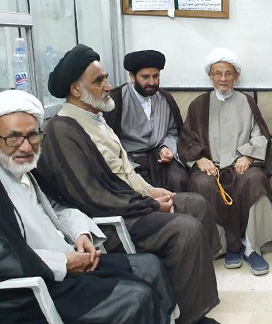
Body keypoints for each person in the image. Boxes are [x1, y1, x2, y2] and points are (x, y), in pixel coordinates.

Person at [37, 44, 220, 324]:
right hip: (112, 220)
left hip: (130, 203)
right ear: (76, 89)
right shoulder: (64, 129)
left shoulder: (97, 119)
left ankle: (188, 300)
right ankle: (188, 318)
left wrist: (150, 191)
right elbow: (91, 196)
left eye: (106, 78)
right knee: (186, 229)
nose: (108, 87)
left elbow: (123, 171)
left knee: (197, 204)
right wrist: (150, 205)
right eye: (99, 81)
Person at [0, 90, 175, 324]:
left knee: (150, 266)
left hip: (71, 257)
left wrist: (80, 233)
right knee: (136, 296)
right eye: (13, 138)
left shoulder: (27, 171)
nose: (26, 147)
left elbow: (57, 206)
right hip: (38, 285)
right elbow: (6, 258)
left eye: (32, 136)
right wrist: (64, 263)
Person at [178, 48, 272, 276]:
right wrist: (200, 159)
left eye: (228, 73)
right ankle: (221, 246)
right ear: (210, 76)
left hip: (240, 165)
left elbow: (260, 135)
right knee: (201, 184)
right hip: (210, 166)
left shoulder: (246, 102)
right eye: (218, 73)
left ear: (236, 76)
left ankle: (251, 246)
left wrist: (248, 156)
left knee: (255, 180)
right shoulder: (198, 104)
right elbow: (187, 139)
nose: (223, 79)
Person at [104, 50, 189, 192]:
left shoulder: (165, 98)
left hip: (160, 160)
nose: (152, 82)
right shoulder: (116, 100)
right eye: (145, 77)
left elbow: (173, 132)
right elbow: (108, 142)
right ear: (132, 76)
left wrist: (166, 148)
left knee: (179, 179)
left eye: (156, 76)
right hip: (129, 161)